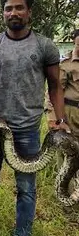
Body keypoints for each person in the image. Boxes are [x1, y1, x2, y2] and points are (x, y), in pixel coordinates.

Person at [0, 0, 69, 236]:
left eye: (18, 7)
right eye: (8, 8)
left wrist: (60, 120)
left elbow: (55, 85)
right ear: (3, 13)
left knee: (26, 187)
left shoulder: (44, 45)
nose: (13, 13)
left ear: (29, 12)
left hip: (27, 130)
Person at [46, 29, 79, 201]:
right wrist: (54, 118)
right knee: (67, 153)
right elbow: (54, 92)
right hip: (70, 112)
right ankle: (65, 193)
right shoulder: (65, 65)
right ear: (75, 42)